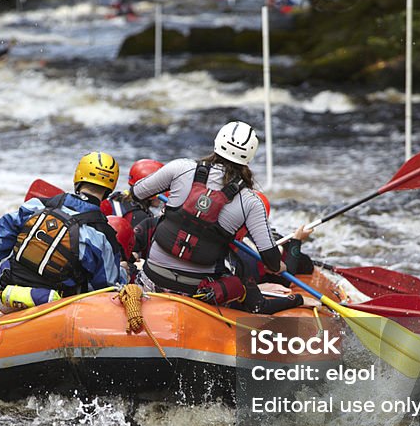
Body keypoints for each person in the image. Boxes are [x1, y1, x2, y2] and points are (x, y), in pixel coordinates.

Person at [131, 121, 309, 314]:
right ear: (249, 156)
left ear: (217, 142)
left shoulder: (180, 167)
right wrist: (280, 265)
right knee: (238, 280)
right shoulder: (251, 201)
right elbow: (271, 261)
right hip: (198, 293)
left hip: (152, 280)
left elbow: (138, 192)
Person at [0, 152, 123, 316]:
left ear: (78, 177)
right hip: (55, 307)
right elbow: (107, 289)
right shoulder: (102, 234)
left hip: (7, 297)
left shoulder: (39, 205)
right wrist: (125, 274)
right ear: (110, 189)